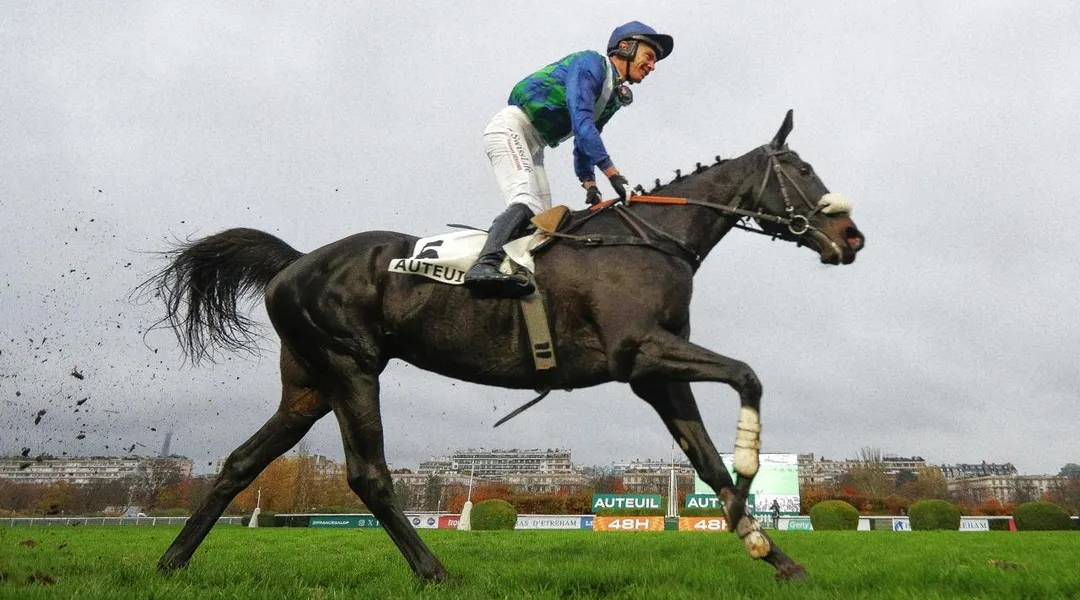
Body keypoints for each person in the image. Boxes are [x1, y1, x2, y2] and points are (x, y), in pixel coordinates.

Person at [463, 21, 675, 298]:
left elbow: (585, 138)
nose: (652, 66)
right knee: (525, 201)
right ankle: (484, 264)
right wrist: (613, 174)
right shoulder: (590, 64)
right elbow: (581, 120)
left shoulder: (612, 96)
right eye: (649, 57)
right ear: (626, 47)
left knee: (542, 221)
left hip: (534, 143)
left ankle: (512, 271)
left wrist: (589, 184)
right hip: (512, 128)